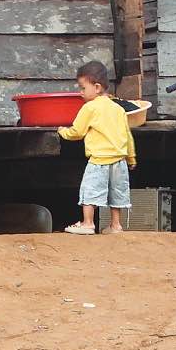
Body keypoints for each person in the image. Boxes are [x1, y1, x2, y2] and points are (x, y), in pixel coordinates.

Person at [58, 60, 137, 235]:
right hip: (120, 160)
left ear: (97, 87)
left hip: (99, 160)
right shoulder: (118, 109)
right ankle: (115, 225)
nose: (80, 92)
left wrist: (63, 131)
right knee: (116, 194)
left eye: (82, 88)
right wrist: (131, 158)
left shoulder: (90, 107)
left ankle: (88, 223)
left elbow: (77, 132)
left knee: (90, 191)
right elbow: (128, 136)